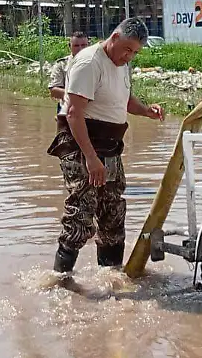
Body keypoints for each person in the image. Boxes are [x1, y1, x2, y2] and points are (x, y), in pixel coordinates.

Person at [46, 19, 164, 274]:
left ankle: (110, 277)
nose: (129, 56)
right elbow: (74, 114)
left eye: (135, 52)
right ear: (113, 38)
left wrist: (147, 111)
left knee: (113, 213)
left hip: (110, 147)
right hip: (81, 145)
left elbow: (124, 100)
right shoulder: (90, 63)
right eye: (127, 49)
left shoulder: (122, 65)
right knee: (81, 215)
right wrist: (90, 158)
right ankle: (61, 280)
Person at [48, 32, 90, 113]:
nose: (81, 49)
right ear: (69, 46)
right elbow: (54, 91)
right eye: (76, 46)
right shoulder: (62, 64)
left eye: (84, 45)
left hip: (93, 111)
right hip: (67, 109)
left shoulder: (97, 64)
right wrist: (77, 98)